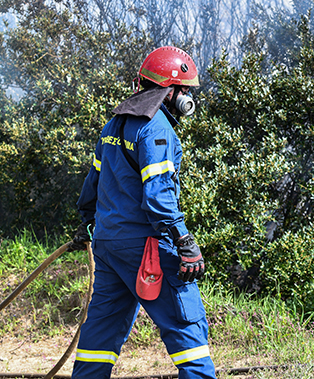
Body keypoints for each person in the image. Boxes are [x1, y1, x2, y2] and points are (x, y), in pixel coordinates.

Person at [68, 46, 216, 378]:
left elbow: (94, 182)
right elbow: (159, 198)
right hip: (144, 247)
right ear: (172, 91)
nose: (188, 98)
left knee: (101, 333)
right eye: (186, 91)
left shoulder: (114, 124)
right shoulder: (156, 127)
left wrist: (87, 223)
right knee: (186, 325)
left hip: (108, 245)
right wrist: (184, 241)